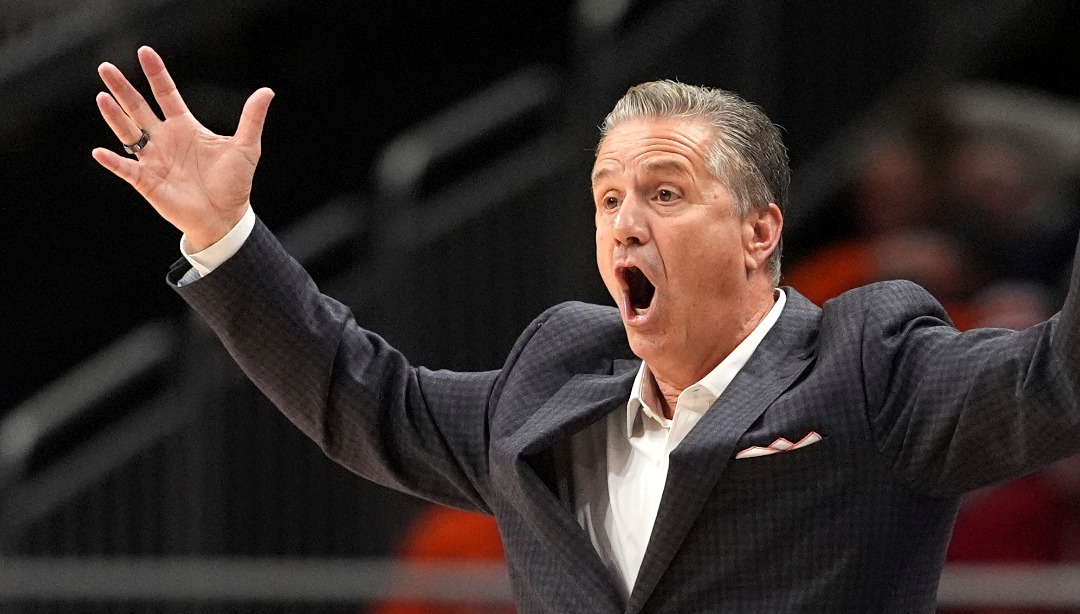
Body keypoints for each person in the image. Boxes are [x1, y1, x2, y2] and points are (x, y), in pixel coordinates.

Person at [92, 47, 1080, 612]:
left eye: (664, 192)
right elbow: (367, 399)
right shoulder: (553, 376)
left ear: (759, 230)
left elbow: (1056, 377)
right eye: (609, 198)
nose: (627, 223)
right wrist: (225, 234)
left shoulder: (871, 368)